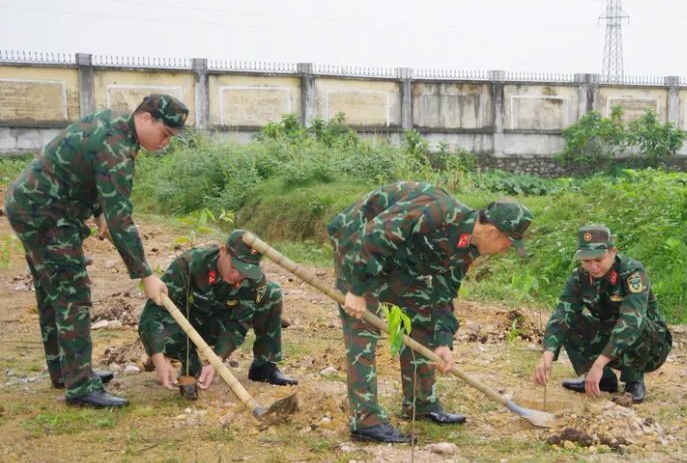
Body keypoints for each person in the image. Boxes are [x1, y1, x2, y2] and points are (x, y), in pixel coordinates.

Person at [4, 94, 188, 408]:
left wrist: (98, 212)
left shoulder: (115, 124)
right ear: (145, 118)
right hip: (45, 213)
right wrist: (146, 274)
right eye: (165, 134)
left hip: (31, 204)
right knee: (72, 293)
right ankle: (80, 388)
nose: (165, 143)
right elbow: (121, 220)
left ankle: (66, 372)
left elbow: (85, 172)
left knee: (51, 292)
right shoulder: (117, 148)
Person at [327, 181, 533, 443]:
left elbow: (444, 292)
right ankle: (366, 421)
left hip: (396, 260)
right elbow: (376, 235)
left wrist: (443, 341)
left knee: (422, 314)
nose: (506, 250)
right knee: (363, 327)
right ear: (492, 232)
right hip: (358, 243)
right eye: (508, 243)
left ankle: (420, 403)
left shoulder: (468, 246)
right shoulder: (438, 213)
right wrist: (357, 290)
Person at [138, 229, 297, 397]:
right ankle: (190, 363)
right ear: (222, 251)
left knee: (272, 292)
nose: (237, 275)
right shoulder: (190, 264)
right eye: (234, 266)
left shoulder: (253, 280)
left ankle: (263, 366)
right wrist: (158, 358)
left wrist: (216, 361)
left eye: (244, 271)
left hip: (218, 326)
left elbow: (237, 324)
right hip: (185, 327)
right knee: (165, 330)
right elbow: (153, 313)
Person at [534, 224, 671, 403]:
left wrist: (599, 363)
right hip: (610, 337)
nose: (593, 266)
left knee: (636, 322)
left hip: (652, 346)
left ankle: (634, 381)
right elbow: (562, 314)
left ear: (613, 252)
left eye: (598, 259)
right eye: (586, 261)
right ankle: (603, 380)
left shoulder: (632, 273)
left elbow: (632, 322)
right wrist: (547, 355)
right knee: (570, 322)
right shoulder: (580, 277)